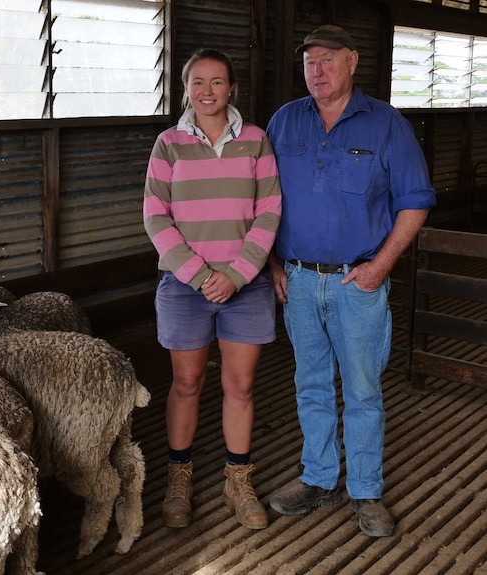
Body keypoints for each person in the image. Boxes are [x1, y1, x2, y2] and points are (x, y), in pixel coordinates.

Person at [264, 24, 436, 537]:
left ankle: (365, 490)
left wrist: (380, 266)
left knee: (362, 390)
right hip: (297, 280)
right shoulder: (284, 122)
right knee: (310, 385)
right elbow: (261, 199)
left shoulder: (385, 124)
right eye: (308, 63)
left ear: (353, 61)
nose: (316, 71)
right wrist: (274, 265)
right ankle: (318, 477)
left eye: (326, 60)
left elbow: (415, 201)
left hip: (356, 283)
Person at [143, 48, 282, 530]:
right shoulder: (169, 144)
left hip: (245, 284)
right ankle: (178, 478)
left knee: (240, 386)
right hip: (185, 286)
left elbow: (269, 212)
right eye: (198, 82)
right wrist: (201, 275)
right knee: (186, 383)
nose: (207, 92)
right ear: (186, 89)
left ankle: (237, 480)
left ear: (232, 89)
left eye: (217, 82)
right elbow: (155, 216)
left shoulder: (257, 141)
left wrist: (239, 273)